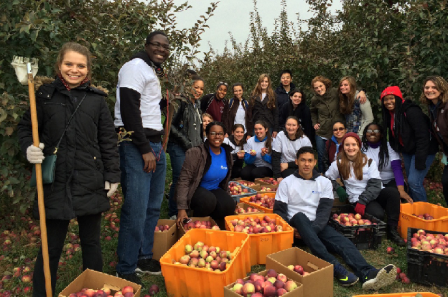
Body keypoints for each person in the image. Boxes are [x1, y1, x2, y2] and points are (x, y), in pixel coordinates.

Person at [18, 42, 120, 295]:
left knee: (91, 243)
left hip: (89, 178)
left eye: (80, 65)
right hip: (55, 181)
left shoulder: (96, 100)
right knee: (50, 246)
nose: (74, 70)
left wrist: (112, 175)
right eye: (69, 64)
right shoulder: (43, 95)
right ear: (59, 65)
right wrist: (28, 148)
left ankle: (96, 291)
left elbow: (107, 140)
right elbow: (25, 129)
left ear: (88, 69)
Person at [274, 146, 397, 290]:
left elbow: (324, 212)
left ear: (314, 162)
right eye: (302, 160)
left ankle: (367, 272)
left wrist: (311, 232)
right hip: (295, 227)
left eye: (309, 160)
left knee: (343, 242)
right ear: (296, 162)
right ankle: (337, 269)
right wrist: (292, 230)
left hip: (317, 225)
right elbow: (279, 212)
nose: (306, 164)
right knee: (300, 216)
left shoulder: (324, 182)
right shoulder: (286, 183)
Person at [113, 31, 170, 284]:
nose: (161, 49)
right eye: (156, 45)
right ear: (146, 45)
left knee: (152, 206)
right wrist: (145, 147)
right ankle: (125, 266)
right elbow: (128, 108)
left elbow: (147, 108)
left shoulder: (151, 71)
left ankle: (143, 256)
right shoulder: (134, 67)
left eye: (165, 47)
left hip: (155, 144)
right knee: (136, 208)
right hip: (138, 145)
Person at [325, 132, 405, 246]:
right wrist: (338, 188)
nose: (350, 148)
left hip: (373, 193)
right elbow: (327, 178)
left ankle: (392, 230)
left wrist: (364, 200)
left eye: (354, 144)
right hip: (357, 195)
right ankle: (369, 213)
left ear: (359, 146)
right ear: (343, 147)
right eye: (347, 145)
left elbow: (375, 184)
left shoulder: (368, 161)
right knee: (378, 215)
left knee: (393, 193)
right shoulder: (339, 163)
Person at [381, 86, 438, 202]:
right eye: (385, 100)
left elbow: (423, 136)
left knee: (414, 182)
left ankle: (423, 211)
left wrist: (420, 159)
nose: (388, 102)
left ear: (398, 98)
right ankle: (413, 208)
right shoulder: (390, 114)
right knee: (411, 182)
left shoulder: (411, 111)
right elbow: (393, 134)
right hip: (408, 150)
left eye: (391, 98)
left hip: (423, 150)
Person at [175, 122, 235, 230]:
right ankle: (195, 223)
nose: (217, 136)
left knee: (229, 204)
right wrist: (181, 208)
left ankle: (213, 224)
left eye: (220, 133)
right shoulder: (196, 153)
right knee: (208, 201)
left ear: (224, 135)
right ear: (206, 134)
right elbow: (184, 180)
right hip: (195, 191)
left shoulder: (227, 154)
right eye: (213, 133)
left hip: (214, 189)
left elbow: (225, 182)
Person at [166, 76, 205, 219]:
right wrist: (186, 142)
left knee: (190, 178)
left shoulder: (197, 104)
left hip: (192, 147)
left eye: (201, 88)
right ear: (189, 87)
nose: (199, 91)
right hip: (178, 146)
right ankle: (173, 213)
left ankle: (184, 209)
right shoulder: (181, 102)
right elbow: (170, 126)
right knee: (179, 178)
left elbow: (198, 128)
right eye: (196, 87)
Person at [310, 76, 366, 173]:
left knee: (341, 154)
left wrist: (362, 91)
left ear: (325, 85)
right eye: (316, 88)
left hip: (338, 130)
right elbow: (313, 111)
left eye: (320, 86)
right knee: (321, 156)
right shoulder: (315, 99)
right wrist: (315, 122)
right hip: (322, 131)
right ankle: (322, 177)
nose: (319, 89)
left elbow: (348, 90)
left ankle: (343, 175)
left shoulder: (335, 92)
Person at [362, 123, 413, 204]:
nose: (372, 133)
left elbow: (397, 169)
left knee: (394, 195)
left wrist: (401, 191)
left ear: (382, 135)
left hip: (392, 181)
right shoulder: (361, 148)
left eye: (376, 131)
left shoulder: (389, 147)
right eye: (369, 131)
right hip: (372, 182)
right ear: (365, 134)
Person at [420, 76, 448, 205]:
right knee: (446, 183)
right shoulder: (433, 108)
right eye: (427, 87)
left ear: (441, 89)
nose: (429, 90)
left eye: (434, 87)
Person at [272, 116, 312, 182]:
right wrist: (278, 176)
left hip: (301, 166)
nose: (291, 128)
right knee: (291, 177)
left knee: (313, 174)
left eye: (294, 125)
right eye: (288, 125)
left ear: (298, 126)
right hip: (285, 167)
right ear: (285, 125)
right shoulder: (280, 136)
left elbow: (307, 160)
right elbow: (275, 157)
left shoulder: (304, 140)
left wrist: (288, 165)